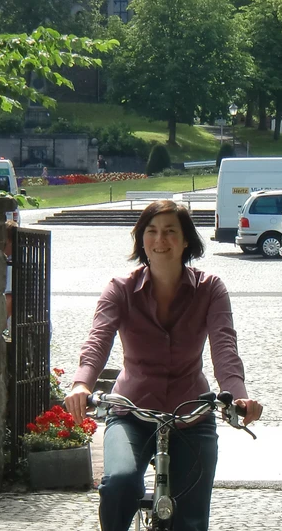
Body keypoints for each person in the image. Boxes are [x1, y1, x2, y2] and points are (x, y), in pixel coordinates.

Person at [64, 200, 264, 531]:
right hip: (132, 412)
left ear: (186, 240)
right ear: (141, 240)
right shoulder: (121, 289)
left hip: (191, 415)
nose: (160, 240)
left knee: (192, 515)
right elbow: (98, 340)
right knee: (119, 483)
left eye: (171, 231)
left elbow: (224, 347)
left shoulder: (210, 289)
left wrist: (238, 396)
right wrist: (82, 383)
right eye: (151, 232)